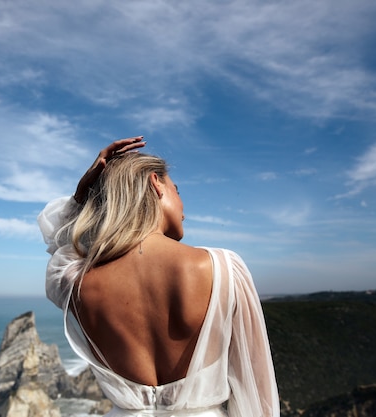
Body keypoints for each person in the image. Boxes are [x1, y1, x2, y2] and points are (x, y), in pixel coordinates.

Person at [38, 137, 279, 417]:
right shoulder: (222, 267)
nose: (184, 209)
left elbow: (61, 242)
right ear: (156, 183)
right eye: (177, 190)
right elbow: (257, 394)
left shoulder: (77, 283)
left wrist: (83, 195)